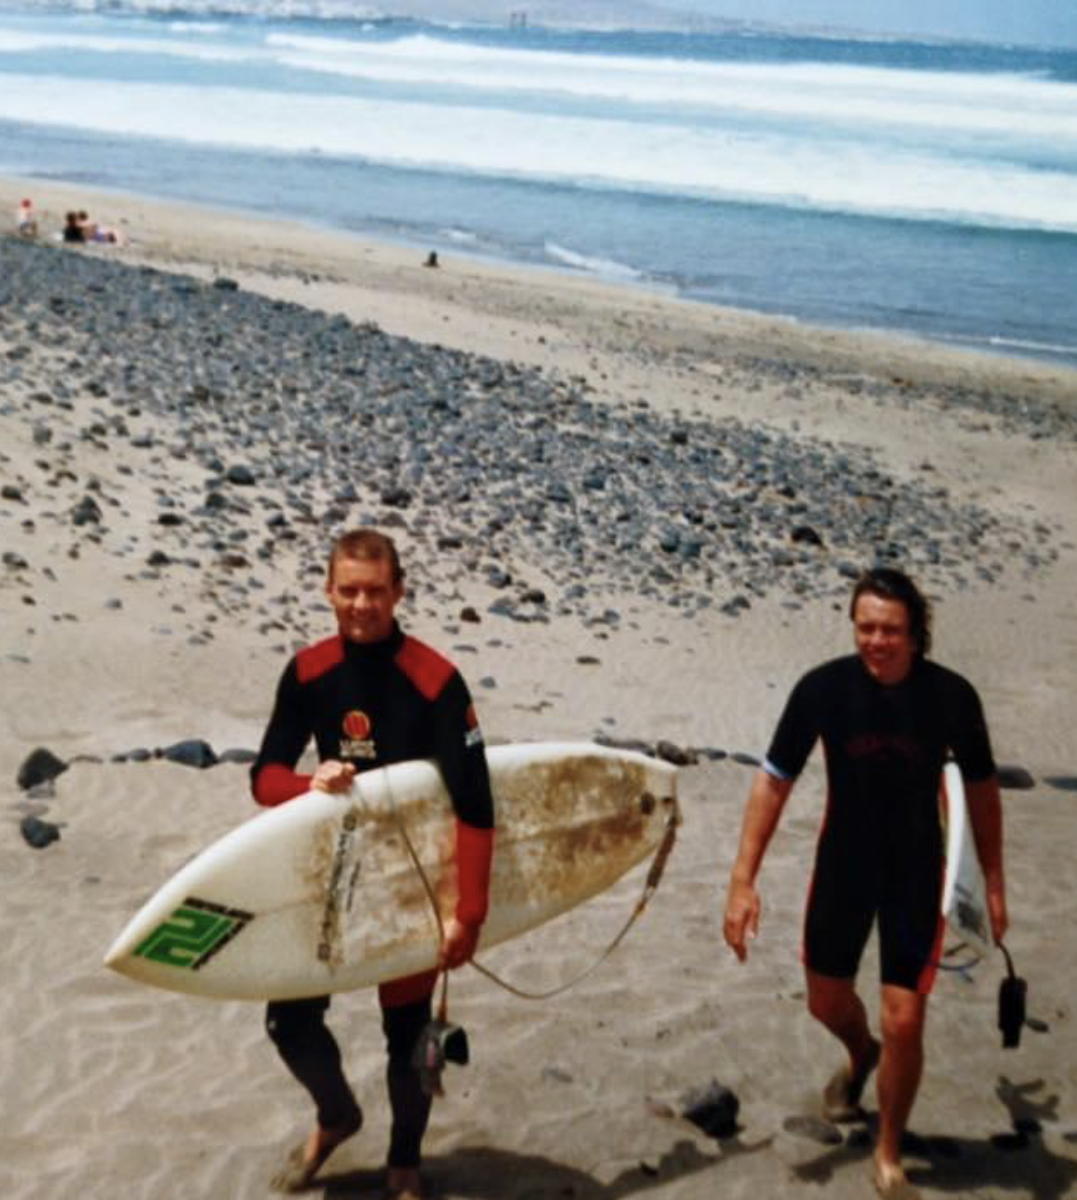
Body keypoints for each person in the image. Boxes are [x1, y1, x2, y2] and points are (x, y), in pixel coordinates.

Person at [722, 567, 1006, 1200]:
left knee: (906, 1020)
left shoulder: (952, 698)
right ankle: (860, 1051)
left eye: (891, 630)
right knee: (825, 1001)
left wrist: (992, 882)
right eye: (866, 627)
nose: (877, 641)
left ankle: (888, 1153)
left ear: (917, 634)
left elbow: (983, 794)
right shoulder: (823, 690)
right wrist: (743, 880)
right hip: (844, 866)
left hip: (916, 873)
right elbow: (773, 782)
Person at [250, 528, 495, 1198]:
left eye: (375, 591)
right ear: (328, 591)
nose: (361, 604)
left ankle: (404, 1164)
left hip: (414, 879)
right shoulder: (308, 672)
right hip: (336, 871)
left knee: (408, 1037)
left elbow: (475, 803)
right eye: (349, 590)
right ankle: (336, 1117)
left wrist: (466, 914)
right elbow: (264, 777)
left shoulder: (436, 680)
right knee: (289, 1022)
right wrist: (310, 785)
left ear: (399, 592)